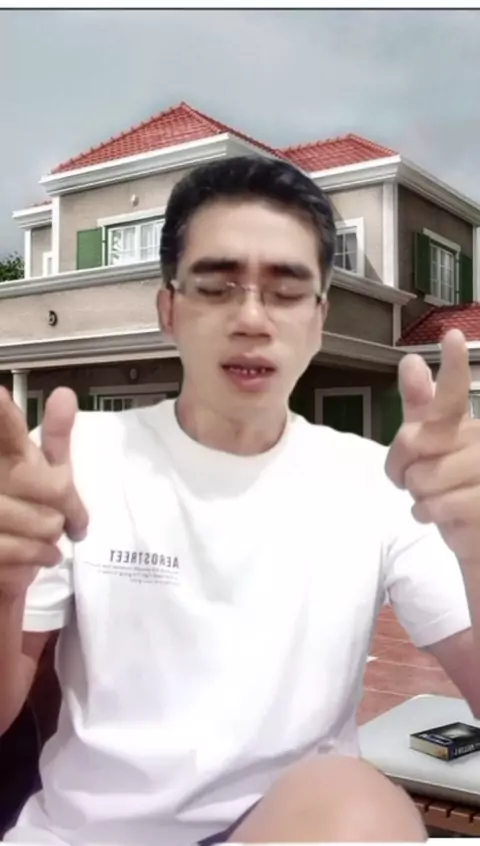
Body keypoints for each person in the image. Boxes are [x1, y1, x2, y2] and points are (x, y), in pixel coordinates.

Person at [0, 155, 479, 845]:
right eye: (216, 287)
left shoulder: (375, 484)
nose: (252, 318)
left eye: (286, 291)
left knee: (355, 801)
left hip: (290, 829)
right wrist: (3, 588)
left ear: (319, 318)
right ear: (168, 309)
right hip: (85, 835)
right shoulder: (81, 460)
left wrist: (477, 555)